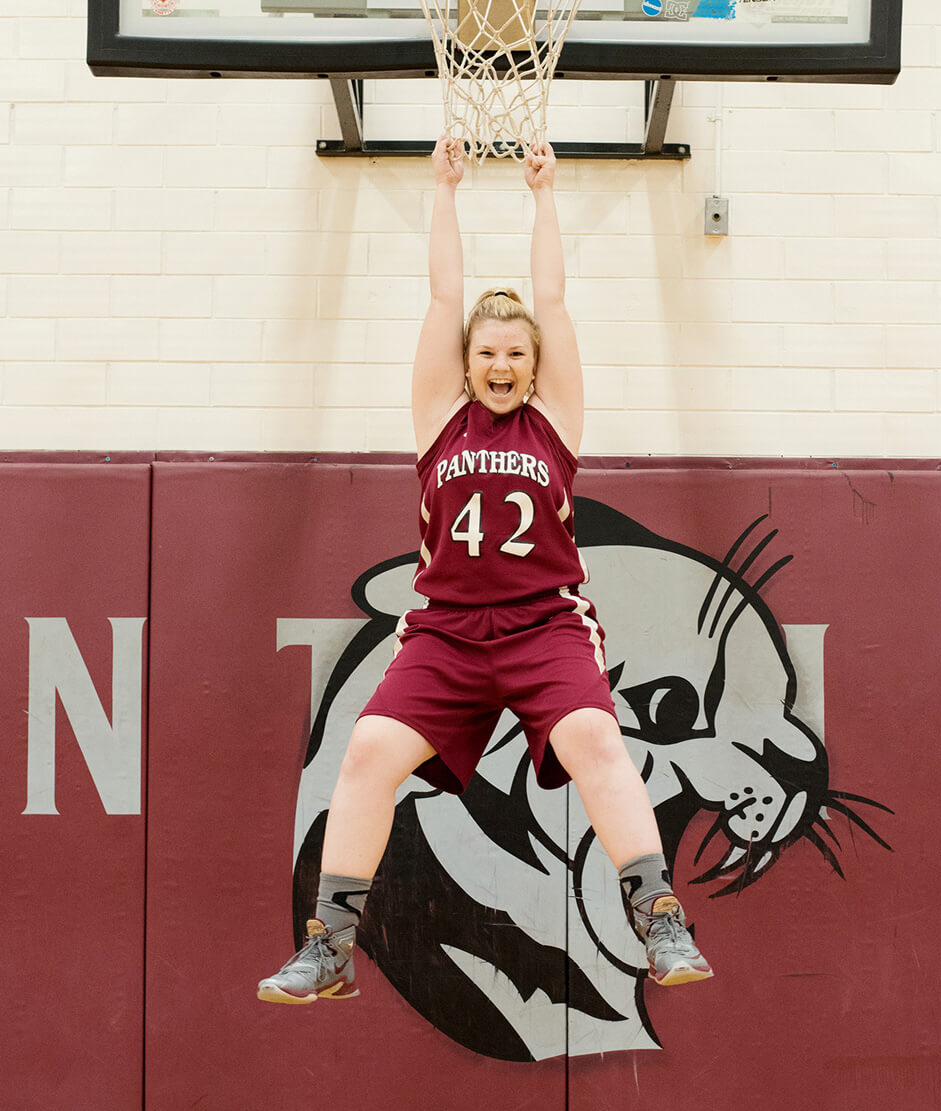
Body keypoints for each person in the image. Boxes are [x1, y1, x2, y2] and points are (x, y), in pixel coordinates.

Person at [257, 136, 712, 1005]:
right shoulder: (438, 420)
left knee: (594, 739)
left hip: (544, 625)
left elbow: (551, 297)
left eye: (515, 354)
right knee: (365, 754)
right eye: (487, 353)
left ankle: (658, 916)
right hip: (447, 634)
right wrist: (443, 190)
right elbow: (443, 296)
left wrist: (546, 195)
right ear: (466, 364)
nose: (500, 365)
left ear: (534, 366)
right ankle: (331, 946)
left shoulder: (554, 426)